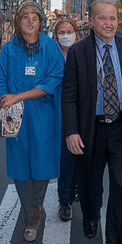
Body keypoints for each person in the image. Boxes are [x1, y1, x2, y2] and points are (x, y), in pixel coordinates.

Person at [62, 0, 122, 244]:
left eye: (113, 18)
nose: (109, 23)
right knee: (90, 185)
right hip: (91, 130)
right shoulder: (78, 52)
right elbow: (69, 96)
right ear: (91, 21)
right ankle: (90, 216)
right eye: (102, 18)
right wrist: (71, 131)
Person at [0, 2, 65, 242]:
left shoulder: (50, 46)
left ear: (41, 22)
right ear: (18, 21)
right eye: (25, 17)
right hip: (15, 115)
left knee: (42, 160)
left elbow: (55, 79)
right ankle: (31, 212)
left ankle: (37, 204)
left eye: (35, 17)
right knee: (19, 162)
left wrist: (19, 96)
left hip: (43, 112)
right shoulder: (9, 48)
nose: (30, 21)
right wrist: (2, 99)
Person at [51, 17, 81, 221]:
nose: (65, 36)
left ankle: (76, 189)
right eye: (61, 32)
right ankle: (65, 200)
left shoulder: (84, 53)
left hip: (83, 113)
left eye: (69, 31)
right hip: (58, 114)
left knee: (83, 158)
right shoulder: (51, 56)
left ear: (76, 33)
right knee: (65, 159)